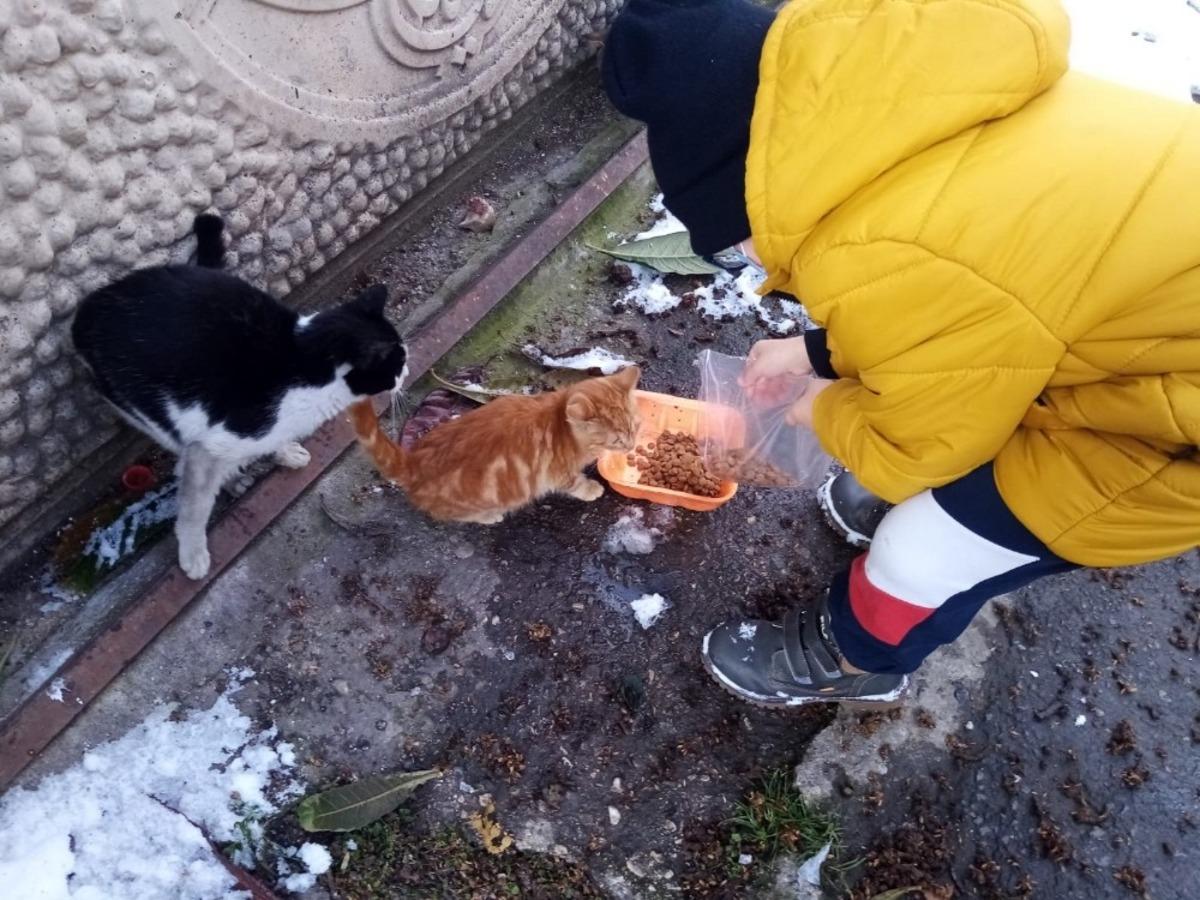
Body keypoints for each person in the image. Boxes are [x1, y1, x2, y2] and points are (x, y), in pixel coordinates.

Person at [601, 0, 1200, 706]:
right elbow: (970, 314)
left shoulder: (895, 251)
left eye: (737, 245)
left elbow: (924, 439)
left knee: (924, 548)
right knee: (940, 430)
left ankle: (857, 658)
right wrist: (820, 354)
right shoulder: (922, 113)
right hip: (1134, 348)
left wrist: (826, 410)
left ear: (754, 194)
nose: (753, 264)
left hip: (1159, 440)